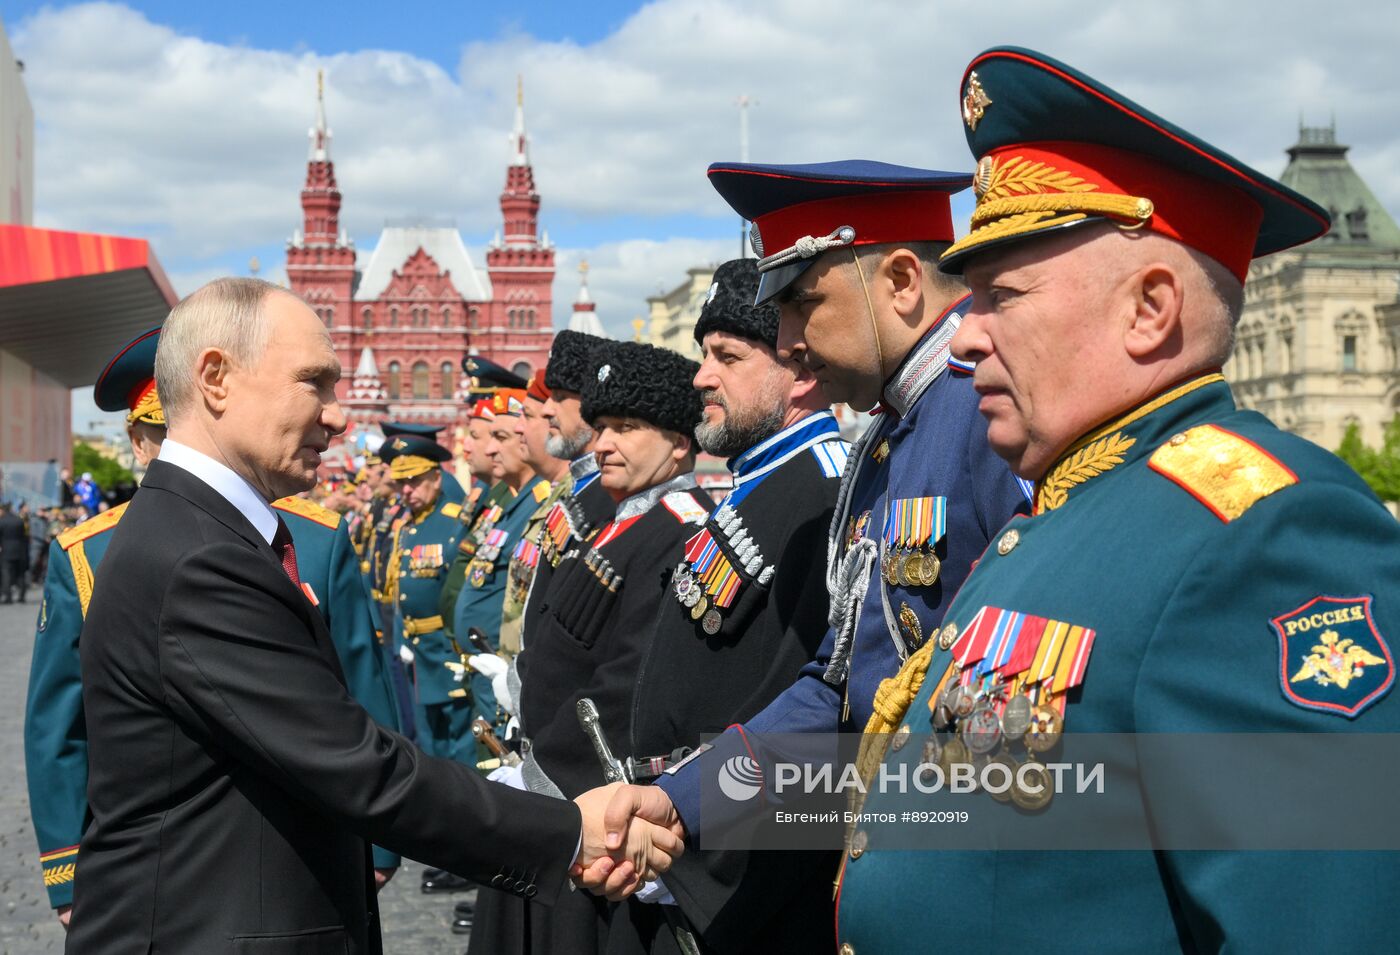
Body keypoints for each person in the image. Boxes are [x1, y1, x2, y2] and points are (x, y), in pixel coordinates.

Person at [833, 47, 1400, 952]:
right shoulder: (1068, 511)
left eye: (997, 296)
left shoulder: (1263, 534)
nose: (965, 337)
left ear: (1150, 310)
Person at [66, 278, 683, 954]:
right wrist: (569, 831)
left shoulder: (193, 529)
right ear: (216, 377)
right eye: (316, 383)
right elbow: (353, 763)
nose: (338, 416)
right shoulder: (197, 555)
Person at [611, 160, 1031, 860]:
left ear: (899, 281)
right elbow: (839, 683)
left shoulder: (992, 411)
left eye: (803, 304)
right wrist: (686, 799)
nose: (786, 343)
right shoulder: (887, 439)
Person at [22, 325, 410, 927]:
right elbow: (58, 729)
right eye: (158, 434)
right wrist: (69, 873)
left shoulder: (317, 538)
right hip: (156, 856)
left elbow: (362, 686)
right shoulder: (85, 554)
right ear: (138, 444)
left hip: (310, 836)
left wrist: (381, 840)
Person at [612, 257, 850, 954]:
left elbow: (816, 719)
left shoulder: (823, 495)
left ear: (800, 372)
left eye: (727, 356)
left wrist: (700, 863)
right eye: (702, 354)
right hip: (677, 839)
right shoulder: (760, 481)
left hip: (737, 878)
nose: (701, 376)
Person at [472, 340, 715, 955]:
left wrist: (541, 772)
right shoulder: (618, 516)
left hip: (590, 794)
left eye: (627, 428)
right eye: (602, 426)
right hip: (556, 772)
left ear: (679, 442)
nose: (603, 442)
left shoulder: (682, 526)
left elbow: (628, 680)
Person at [0, 500, 29, 603]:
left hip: (6, 550)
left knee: (6, 573)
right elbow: (24, 536)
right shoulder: (19, 520)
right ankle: (22, 595)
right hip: (19, 550)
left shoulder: (2, 521)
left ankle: (8, 596)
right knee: (20, 573)